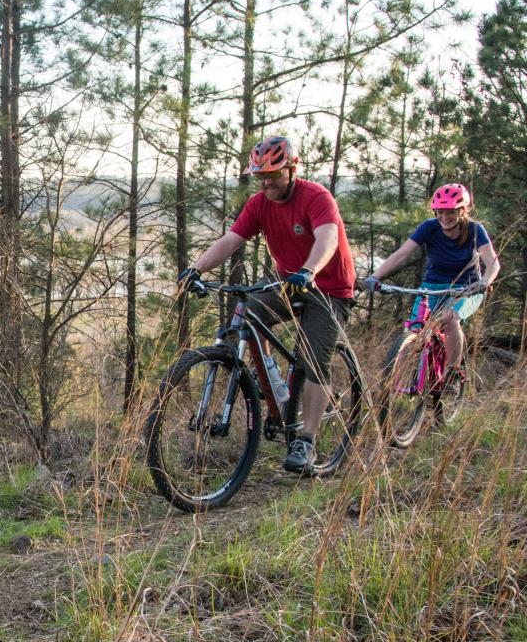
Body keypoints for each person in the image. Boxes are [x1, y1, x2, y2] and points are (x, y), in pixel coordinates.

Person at [177, 134, 358, 475]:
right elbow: (231, 239)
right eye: (261, 176)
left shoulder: (316, 197)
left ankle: (306, 440)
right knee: (248, 312)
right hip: (288, 283)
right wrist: (196, 269)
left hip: (328, 287)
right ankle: (271, 383)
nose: (268, 182)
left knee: (313, 358)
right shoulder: (259, 204)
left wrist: (308, 270)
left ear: (293, 168)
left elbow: (328, 238)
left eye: (274, 174)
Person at [359, 183, 499, 375]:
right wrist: (375, 276)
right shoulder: (429, 228)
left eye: (450, 212)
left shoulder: (475, 230)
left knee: (450, 319)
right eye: (440, 212)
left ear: (462, 211)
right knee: (417, 328)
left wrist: (485, 282)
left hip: (467, 288)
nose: (444, 217)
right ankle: (412, 378)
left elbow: (492, 262)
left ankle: (453, 373)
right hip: (431, 286)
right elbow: (401, 254)